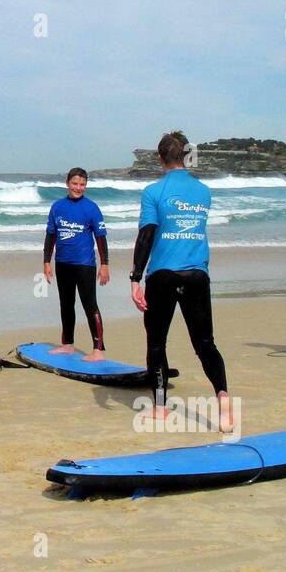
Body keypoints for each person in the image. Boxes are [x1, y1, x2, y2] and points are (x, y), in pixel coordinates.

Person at [129, 131, 232, 433]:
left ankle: (160, 408)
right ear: (186, 157)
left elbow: (146, 235)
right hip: (197, 275)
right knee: (205, 343)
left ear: (160, 158)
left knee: (157, 342)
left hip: (162, 276)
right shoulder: (203, 191)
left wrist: (135, 278)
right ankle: (223, 399)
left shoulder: (153, 191)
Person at [42, 167, 109, 359]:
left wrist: (105, 264)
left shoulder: (92, 208)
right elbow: (50, 235)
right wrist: (47, 262)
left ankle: (99, 349)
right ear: (67, 183)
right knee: (66, 304)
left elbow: (101, 238)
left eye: (82, 184)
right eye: (75, 183)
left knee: (90, 305)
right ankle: (68, 344)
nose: (78, 188)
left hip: (85, 264)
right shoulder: (57, 207)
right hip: (62, 263)